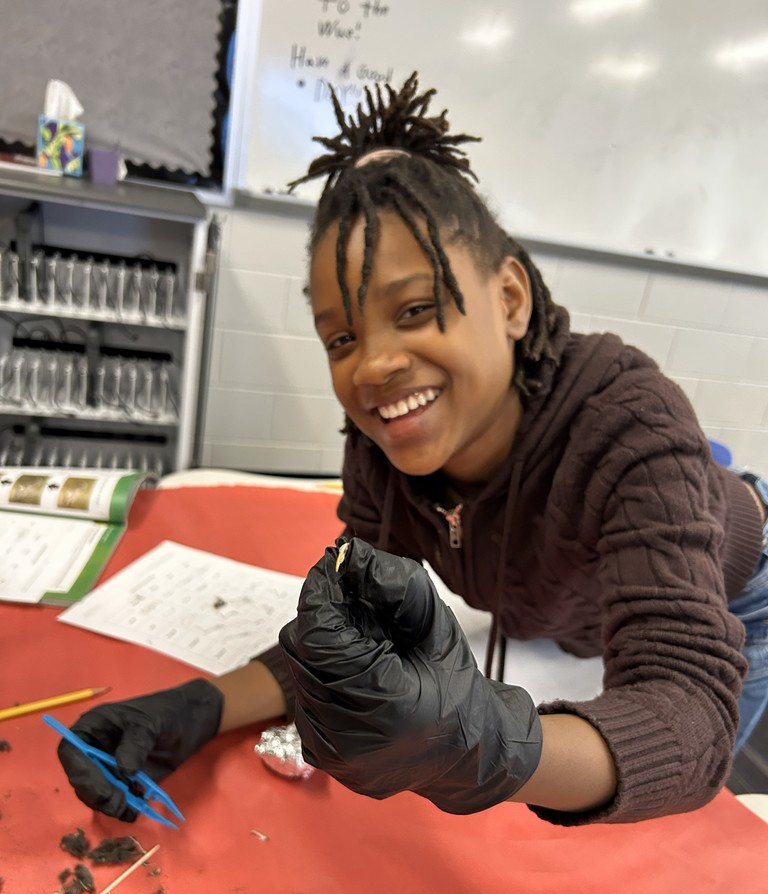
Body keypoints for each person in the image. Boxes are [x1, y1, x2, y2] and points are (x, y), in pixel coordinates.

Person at [57, 73, 768, 828]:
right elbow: (350, 640)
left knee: (683, 823)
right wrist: (200, 707)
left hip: (737, 595)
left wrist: (492, 746)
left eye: (417, 308)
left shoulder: (629, 422)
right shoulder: (382, 449)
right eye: (342, 337)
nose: (371, 366)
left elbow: (688, 718)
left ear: (511, 298)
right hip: (568, 606)